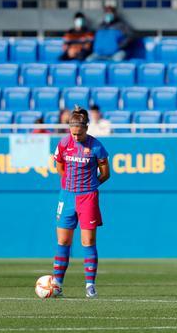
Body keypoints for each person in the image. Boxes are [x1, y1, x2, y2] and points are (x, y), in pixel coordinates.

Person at [51, 107, 111, 299]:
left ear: (86, 128)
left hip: (87, 198)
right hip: (67, 196)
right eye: (73, 133)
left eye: (79, 133)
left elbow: (105, 174)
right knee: (63, 241)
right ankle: (57, 284)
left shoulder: (96, 147)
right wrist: (69, 184)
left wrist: (89, 186)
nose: (76, 137)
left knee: (88, 241)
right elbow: (60, 167)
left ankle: (90, 285)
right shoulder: (63, 143)